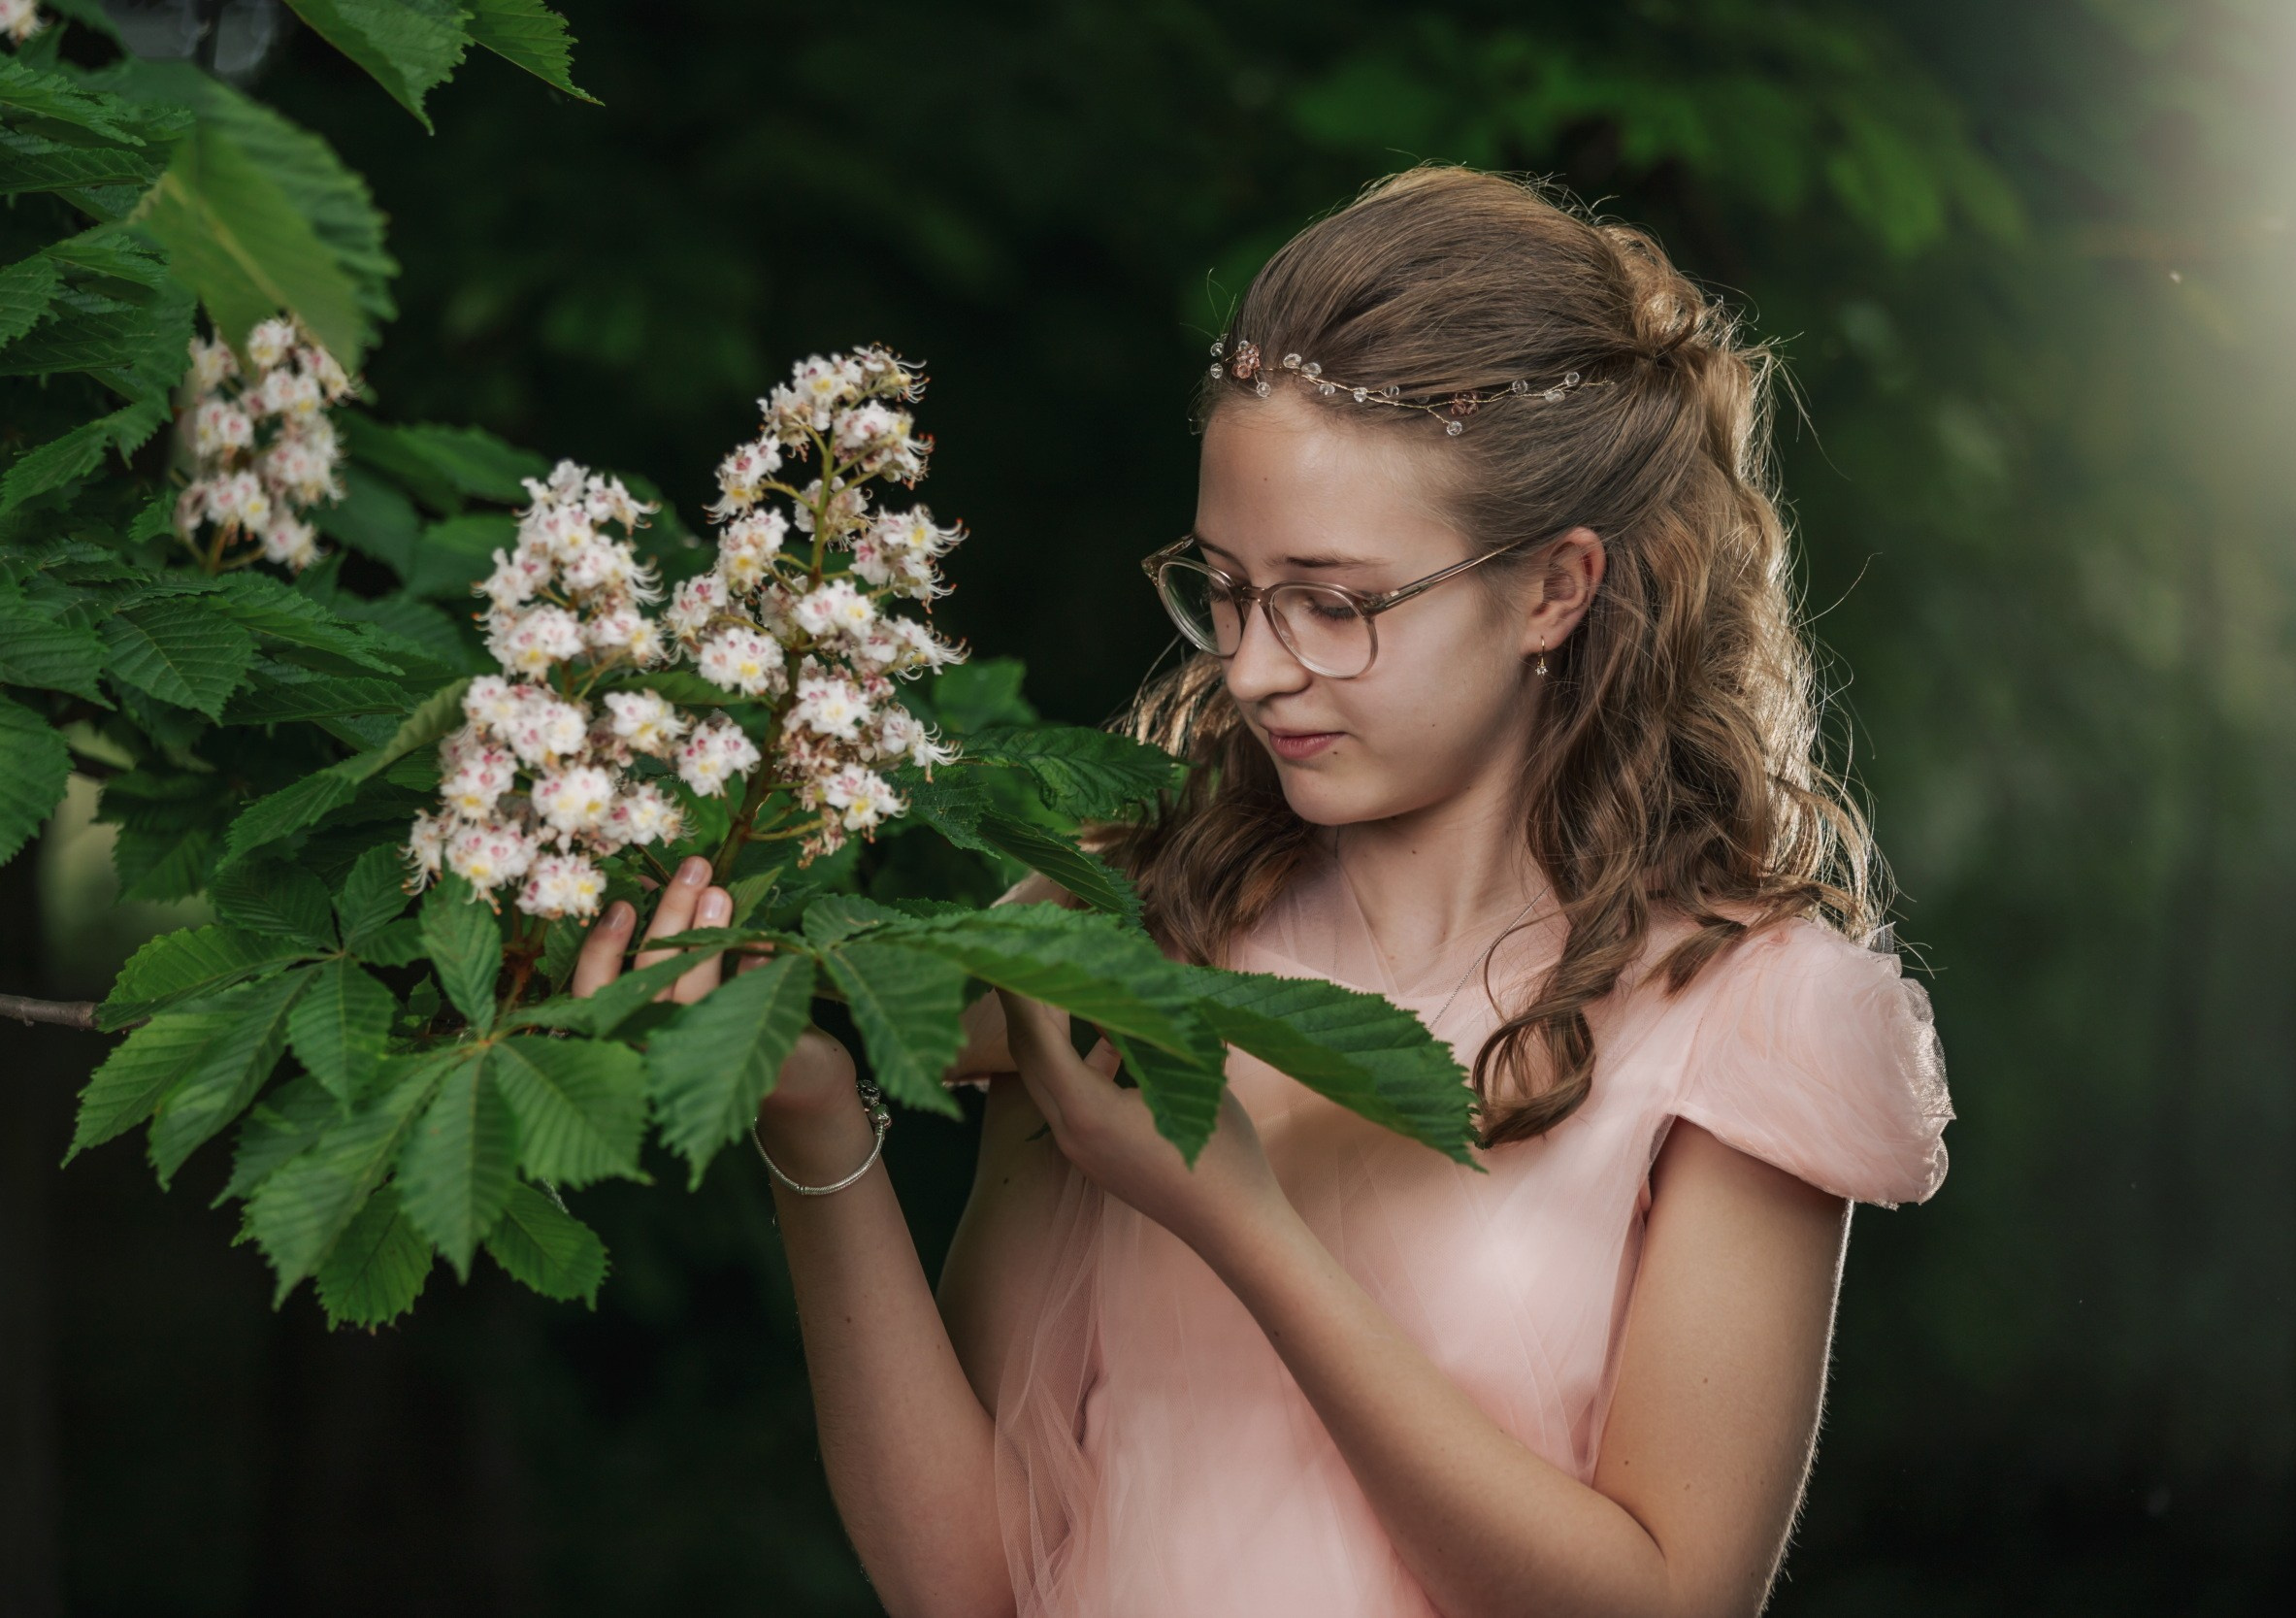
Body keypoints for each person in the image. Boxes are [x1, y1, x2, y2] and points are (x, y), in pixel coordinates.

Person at [572, 165, 1955, 1618]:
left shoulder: (1748, 1017)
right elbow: (973, 1580)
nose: (1252, 667)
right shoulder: (1133, 932)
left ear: (1555, 588)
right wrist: (810, 1121)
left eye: (1334, 602)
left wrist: (1242, 1225)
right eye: (1224, 588)